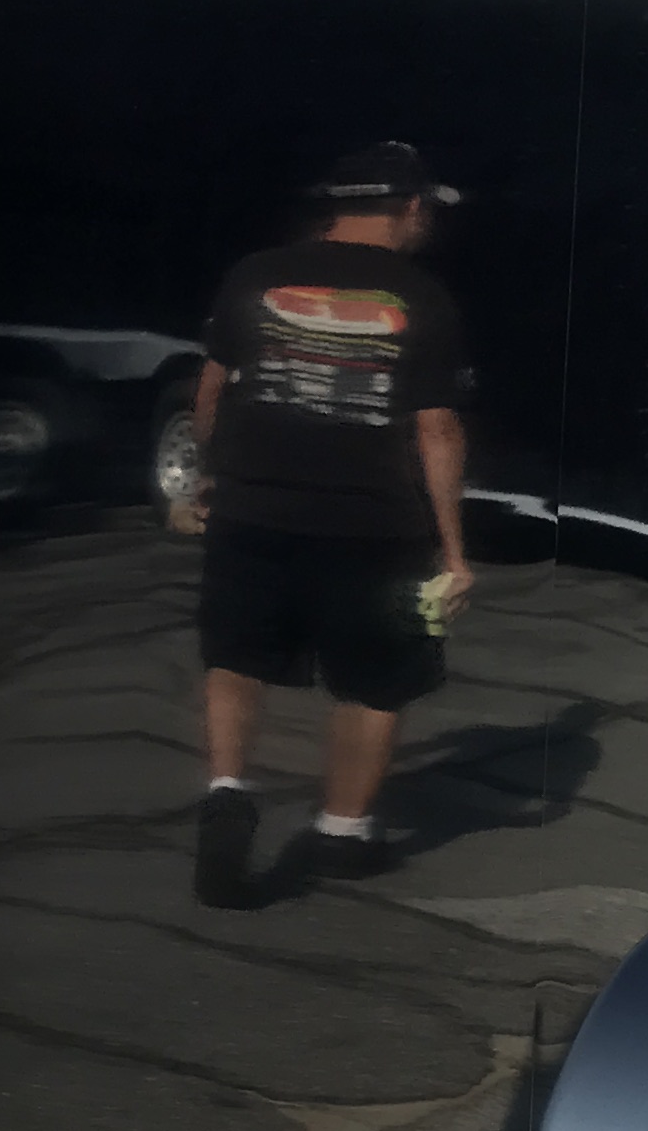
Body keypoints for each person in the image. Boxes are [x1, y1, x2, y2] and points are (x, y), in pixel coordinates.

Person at [187, 140, 476, 907]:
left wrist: (218, 477)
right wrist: (454, 552)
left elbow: (210, 397)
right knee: (374, 684)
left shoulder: (254, 276)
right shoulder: (423, 297)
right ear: (410, 208)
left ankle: (226, 790)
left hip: (253, 508)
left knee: (236, 657)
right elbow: (437, 431)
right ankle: (343, 834)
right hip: (374, 526)